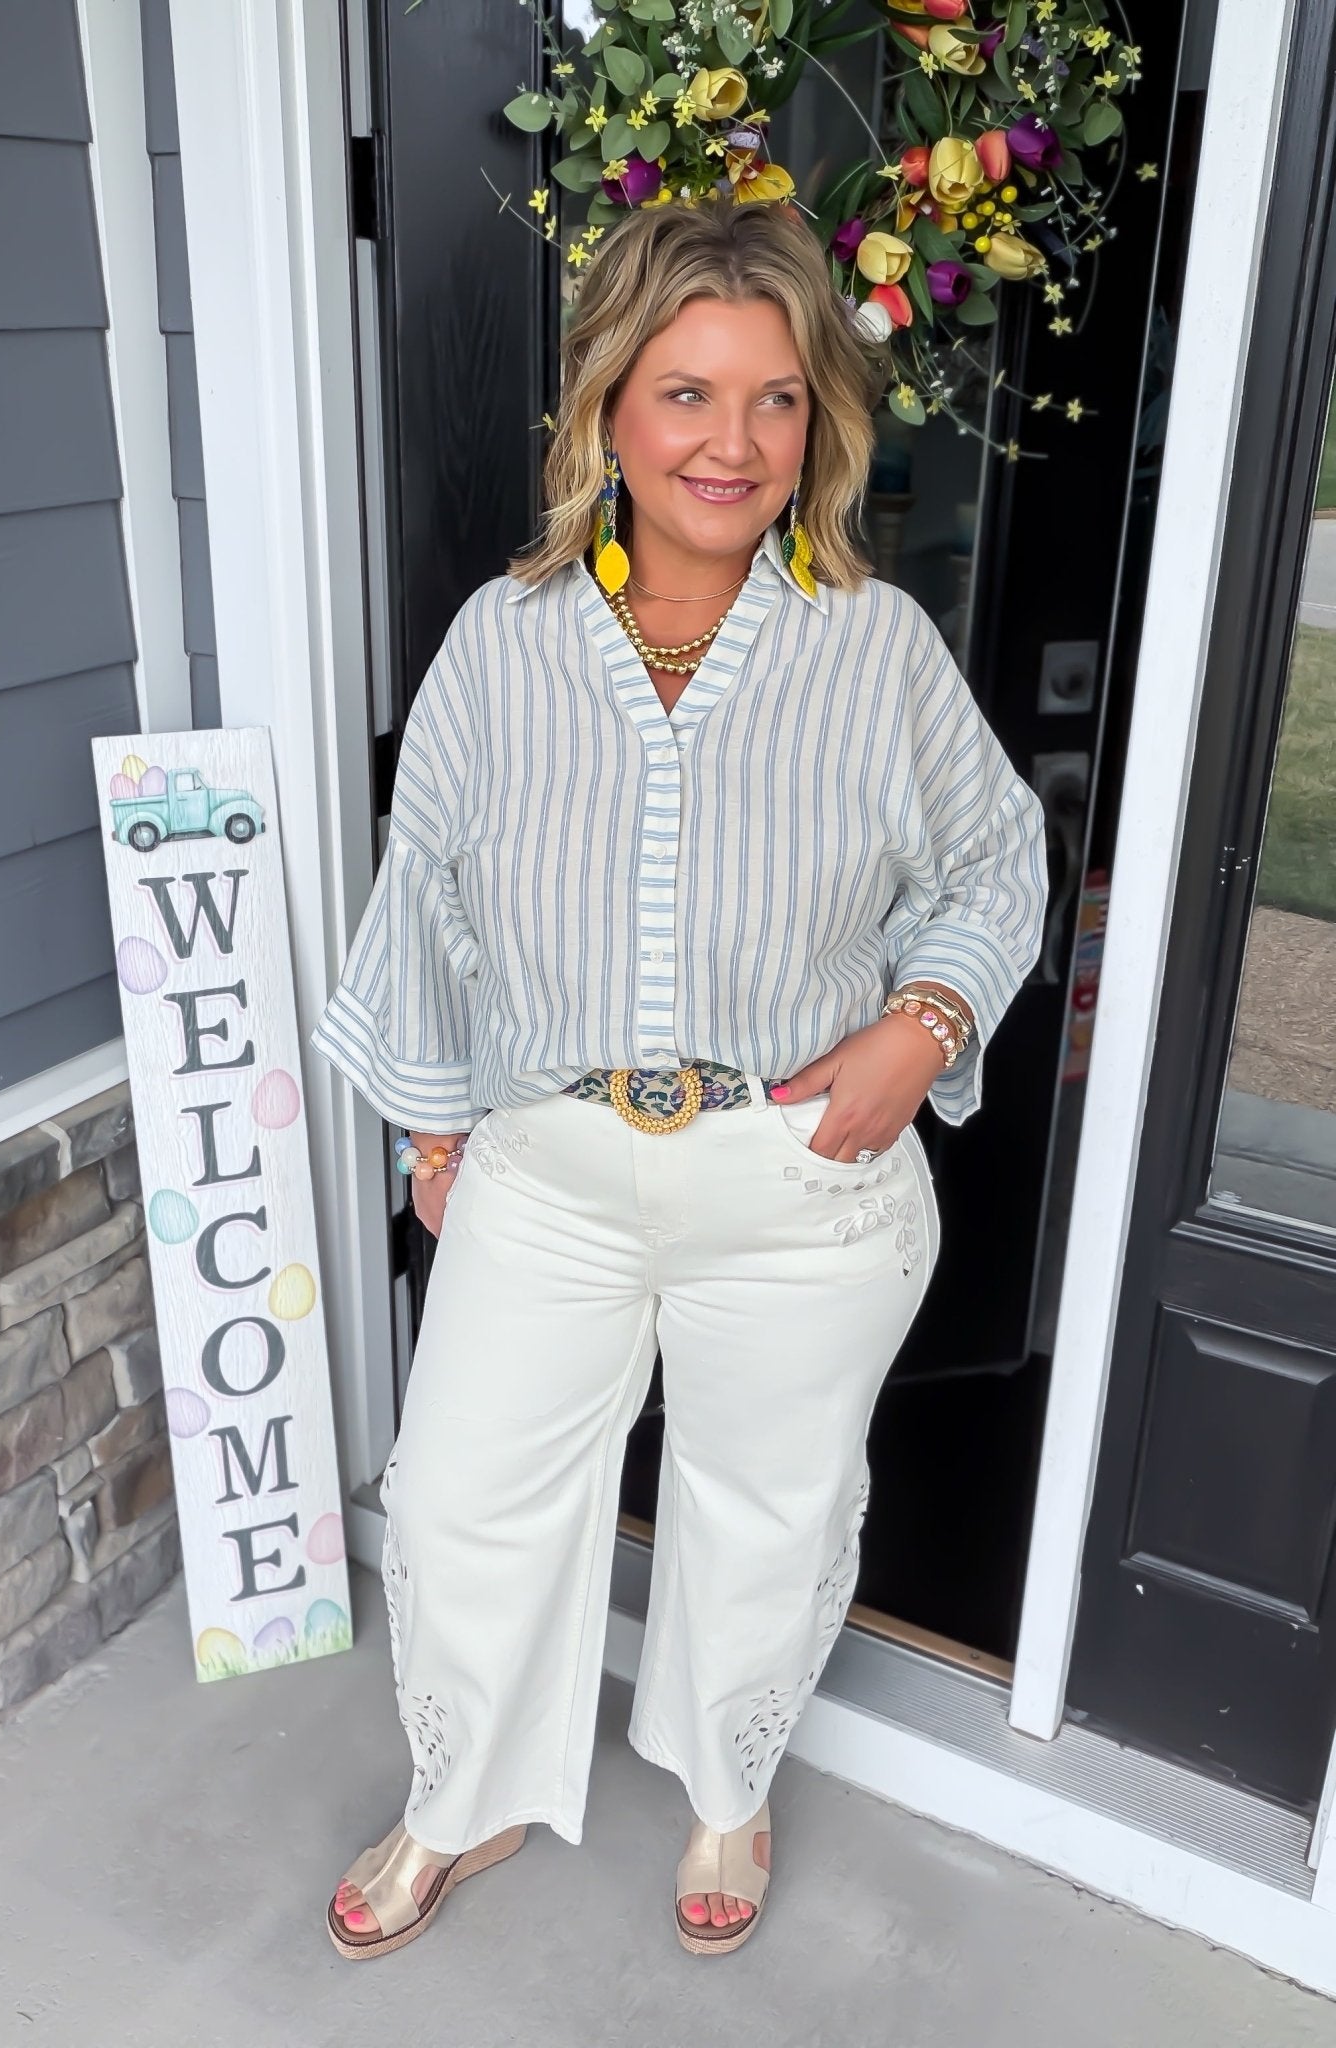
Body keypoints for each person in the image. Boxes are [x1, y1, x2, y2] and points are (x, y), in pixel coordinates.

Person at [309, 195, 1048, 1960]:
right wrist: (431, 1129)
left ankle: (729, 1784)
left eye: (776, 398)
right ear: (610, 413)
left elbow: (996, 858)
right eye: (688, 393)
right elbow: (428, 888)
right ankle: (462, 1795)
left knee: (764, 1510)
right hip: (550, 1166)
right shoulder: (507, 638)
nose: (733, 443)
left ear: (818, 422)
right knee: (464, 1499)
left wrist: (923, 1026)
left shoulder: (872, 644)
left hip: (797, 1174)